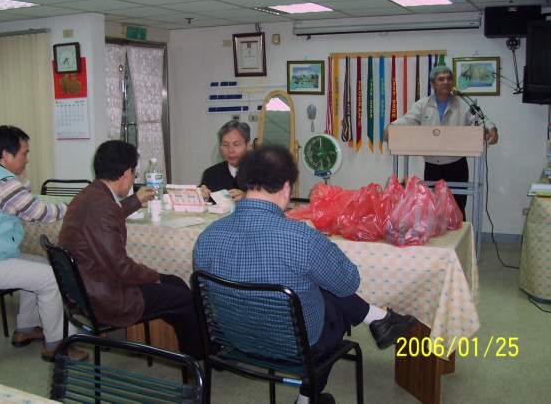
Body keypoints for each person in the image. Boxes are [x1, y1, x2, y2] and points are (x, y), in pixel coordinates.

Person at [194, 145, 417, 404]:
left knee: (309, 286)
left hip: (236, 339)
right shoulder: (301, 237)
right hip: (295, 346)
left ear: (244, 182)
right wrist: (319, 242)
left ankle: (378, 320)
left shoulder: (207, 237)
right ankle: (305, 399)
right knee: (331, 305)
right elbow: (349, 282)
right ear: (286, 187)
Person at [0, 125, 86, 361]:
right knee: (49, 277)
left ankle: (26, 329)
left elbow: (22, 202)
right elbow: (38, 212)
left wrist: (21, 180)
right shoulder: (2, 183)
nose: (27, 158)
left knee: (40, 265)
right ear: (6, 154)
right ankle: (56, 345)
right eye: (24, 153)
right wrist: (73, 208)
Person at [58, 140, 202, 359]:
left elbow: (110, 215)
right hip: (106, 296)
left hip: (87, 287)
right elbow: (121, 268)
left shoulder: (90, 195)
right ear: (126, 173)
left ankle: (192, 343)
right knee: (182, 295)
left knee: (175, 284)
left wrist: (136, 199)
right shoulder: (103, 207)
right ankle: (197, 355)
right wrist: (154, 277)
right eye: (134, 174)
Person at [385, 65, 498, 218]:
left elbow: (481, 119)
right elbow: (407, 119)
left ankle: (460, 234)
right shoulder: (423, 104)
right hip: (432, 165)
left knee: (457, 209)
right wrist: (391, 127)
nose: (446, 82)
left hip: (456, 164)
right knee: (432, 209)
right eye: (441, 79)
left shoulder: (463, 103)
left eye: (449, 79)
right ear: (433, 84)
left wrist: (491, 128)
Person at [199, 120, 250, 202]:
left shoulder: (261, 174)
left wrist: (248, 199)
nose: (230, 150)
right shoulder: (210, 174)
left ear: (247, 145)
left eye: (236, 144)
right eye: (225, 145)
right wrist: (199, 196)